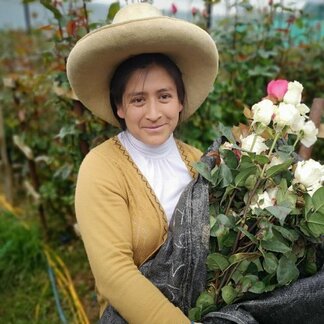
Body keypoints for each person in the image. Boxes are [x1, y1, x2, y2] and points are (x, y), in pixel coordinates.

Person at [66, 2, 218, 323]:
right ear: (119, 107)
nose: (153, 113)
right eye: (137, 99)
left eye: (164, 96)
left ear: (179, 101)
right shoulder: (102, 168)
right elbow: (114, 275)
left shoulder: (196, 161)